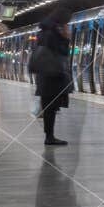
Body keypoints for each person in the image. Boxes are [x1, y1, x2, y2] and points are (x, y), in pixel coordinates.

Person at [30, 10, 74, 146]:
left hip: (45, 76)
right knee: (50, 108)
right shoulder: (53, 35)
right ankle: (49, 137)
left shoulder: (44, 32)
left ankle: (49, 136)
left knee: (49, 108)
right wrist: (66, 38)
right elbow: (61, 53)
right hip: (52, 76)